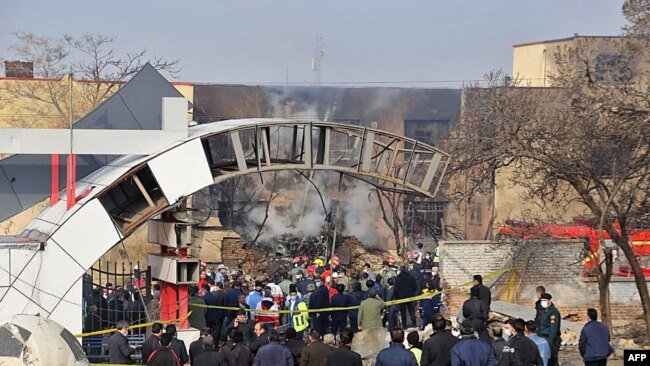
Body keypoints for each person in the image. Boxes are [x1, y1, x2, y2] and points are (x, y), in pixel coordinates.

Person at [538, 293, 561, 366]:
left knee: (552, 360)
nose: (543, 302)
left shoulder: (553, 312)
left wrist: (550, 342)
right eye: (542, 300)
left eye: (544, 300)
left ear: (549, 301)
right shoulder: (544, 311)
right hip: (543, 339)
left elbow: (553, 329)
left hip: (550, 340)